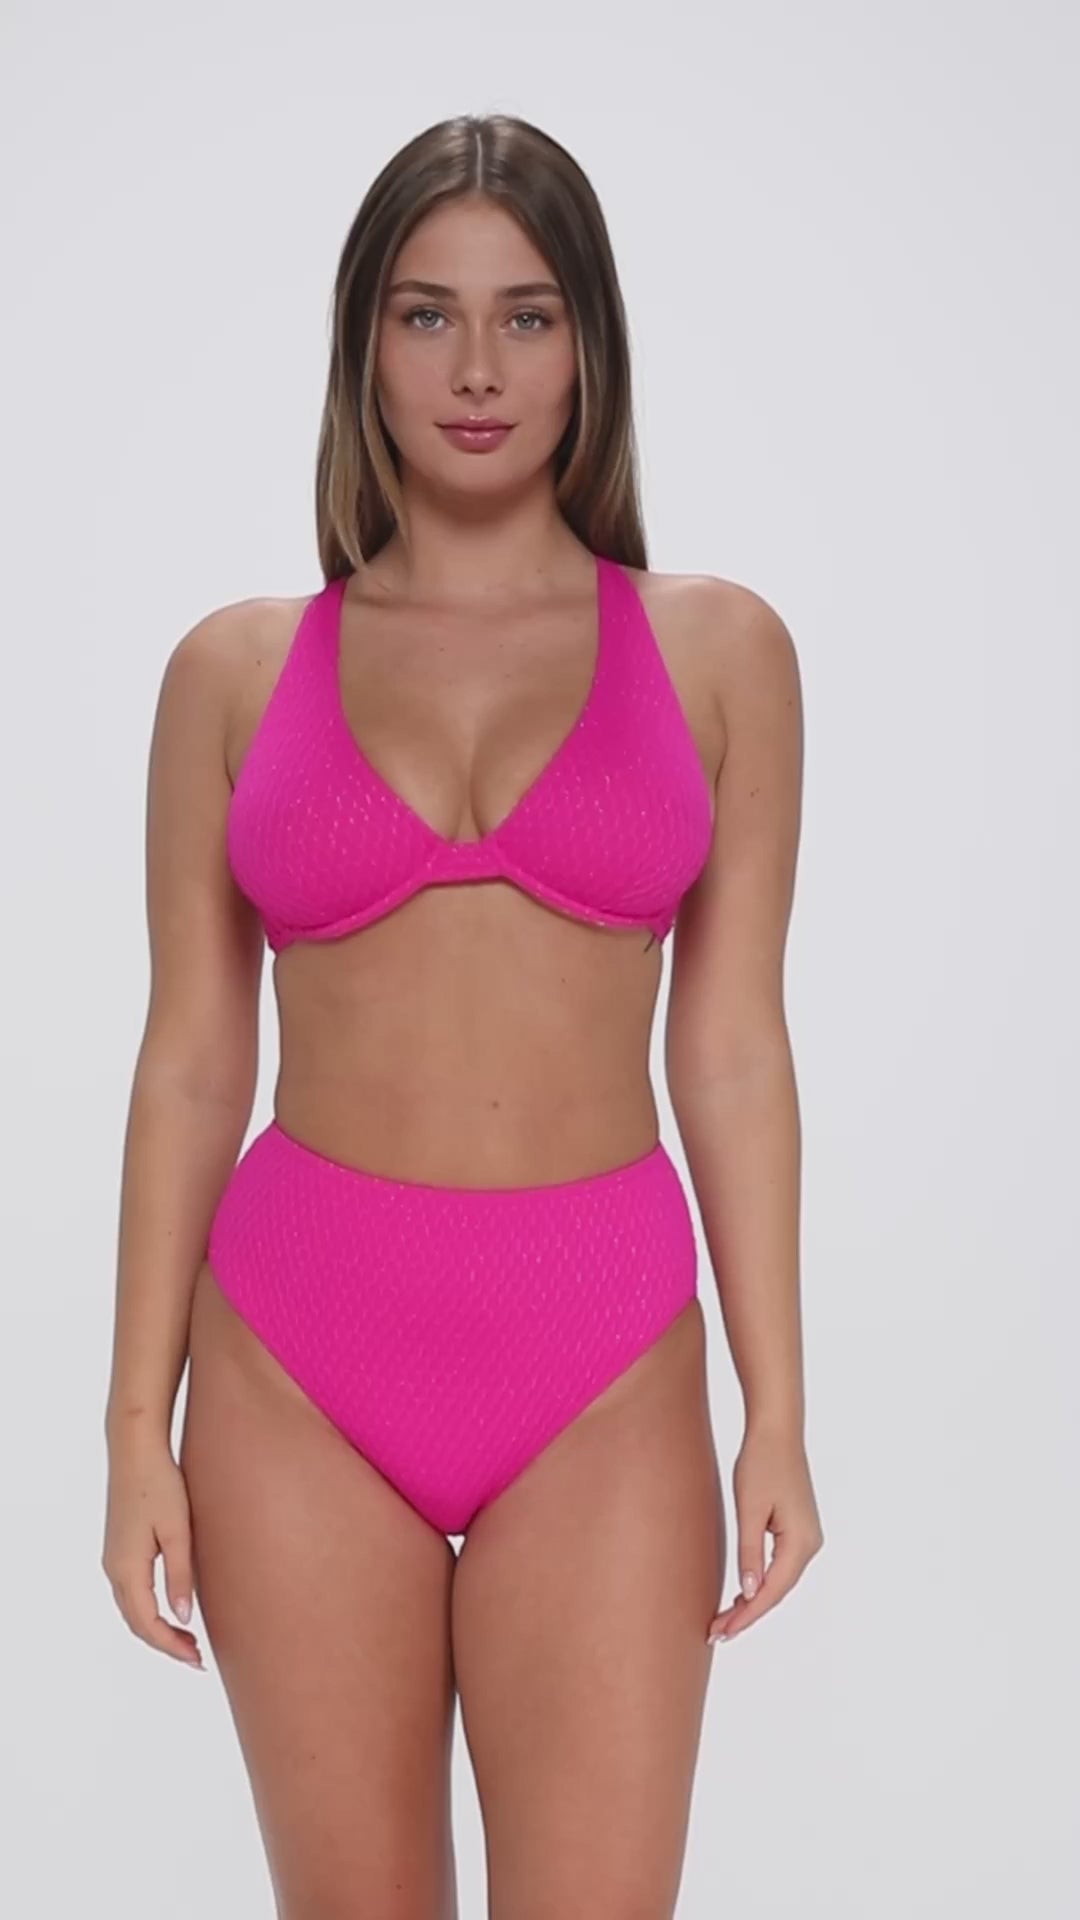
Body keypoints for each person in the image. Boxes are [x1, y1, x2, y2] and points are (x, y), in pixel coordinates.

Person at [102, 110, 823, 1920]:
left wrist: (780, 1408)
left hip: (601, 1360)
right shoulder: (232, 672)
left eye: (528, 315)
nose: (479, 369)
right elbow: (191, 1061)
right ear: (364, 346)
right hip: (292, 1358)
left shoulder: (720, 652)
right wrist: (130, 1429)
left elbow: (733, 1049)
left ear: (591, 345)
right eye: (426, 316)